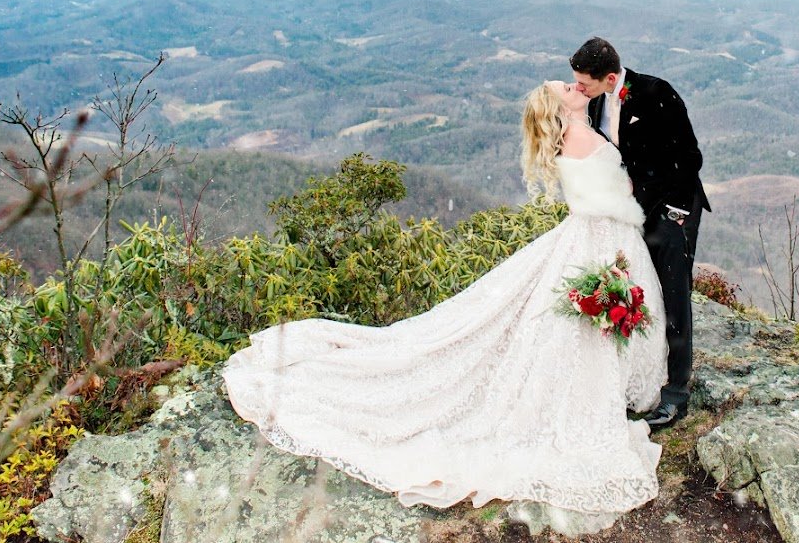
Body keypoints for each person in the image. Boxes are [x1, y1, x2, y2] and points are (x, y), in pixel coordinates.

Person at [222, 80, 667, 526]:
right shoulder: (578, 131)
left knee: (568, 322)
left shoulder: (578, 127)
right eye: (568, 86)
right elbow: (610, 192)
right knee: (574, 324)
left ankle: (598, 383)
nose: (576, 85)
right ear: (558, 106)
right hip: (600, 235)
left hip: (593, 237)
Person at [571, 37, 709, 431]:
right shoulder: (596, 103)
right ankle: (638, 376)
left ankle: (677, 393)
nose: (580, 89)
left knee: (674, 293)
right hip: (630, 212)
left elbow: (690, 157)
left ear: (611, 77)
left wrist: (676, 214)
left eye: (585, 83)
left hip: (670, 210)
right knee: (639, 290)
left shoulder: (655, 93)